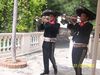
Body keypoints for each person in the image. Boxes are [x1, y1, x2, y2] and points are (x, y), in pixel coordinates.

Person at [67, 6, 96, 75]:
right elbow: (71, 28)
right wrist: (68, 20)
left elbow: (82, 30)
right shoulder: (78, 24)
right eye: (80, 16)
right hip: (75, 47)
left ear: (86, 18)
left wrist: (75, 23)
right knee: (74, 64)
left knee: (78, 65)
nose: (80, 17)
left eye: (83, 16)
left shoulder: (89, 25)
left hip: (82, 48)